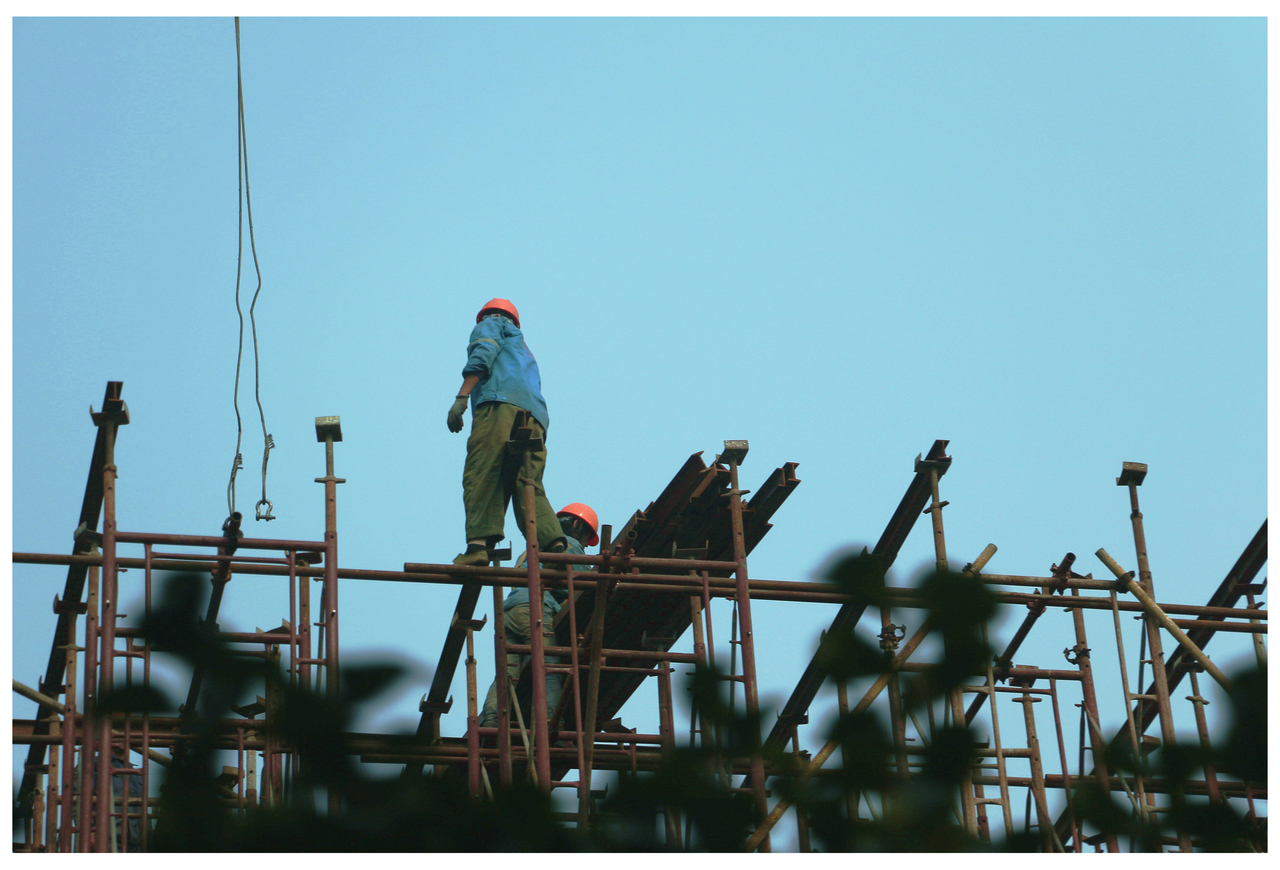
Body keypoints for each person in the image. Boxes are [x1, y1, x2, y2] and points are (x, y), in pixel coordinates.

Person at [447, 299, 567, 566]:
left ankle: (478, 546)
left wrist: (462, 397)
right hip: (535, 416)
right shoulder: (524, 350)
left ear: (484, 316)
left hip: (499, 405)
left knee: (483, 471)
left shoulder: (491, 325)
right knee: (528, 483)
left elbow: (483, 353)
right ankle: (555, 547)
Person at [478, 503, 599, 731]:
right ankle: (551, 724)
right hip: (534, 608)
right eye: (586, 539)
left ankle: (491, 719)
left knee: (507, 673)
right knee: (549, 668)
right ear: (576, 525)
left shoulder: (532, 549)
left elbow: (558, 580)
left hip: (510, 612)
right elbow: (586, 582)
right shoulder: (567, 545)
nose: (584, 545)